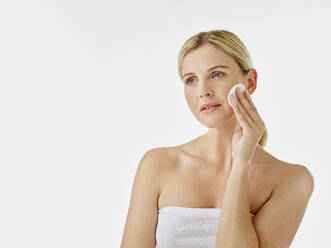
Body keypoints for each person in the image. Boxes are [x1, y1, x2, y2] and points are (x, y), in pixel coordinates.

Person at [120, 30, 314, 248]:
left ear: (250, 82)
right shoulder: (157, 164)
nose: (203, 91)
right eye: (191, 80)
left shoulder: (292, 180)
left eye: (217, 75)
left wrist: (241, 164)